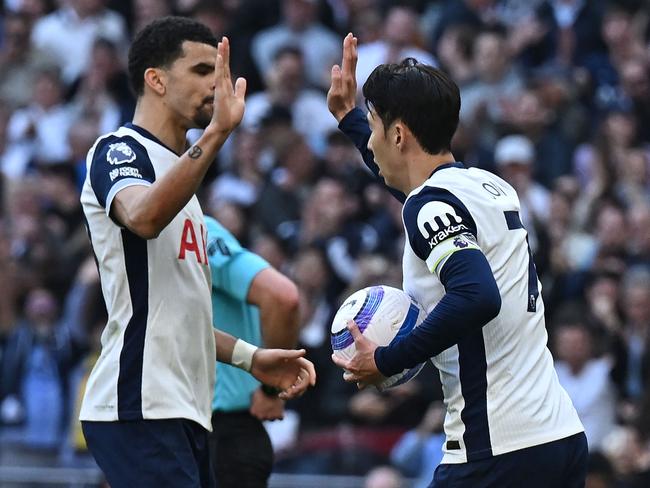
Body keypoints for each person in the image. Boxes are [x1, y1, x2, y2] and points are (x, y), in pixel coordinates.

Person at [328, 33, 587, 487]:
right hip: (558, 435)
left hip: (497, 449)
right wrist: (350, 118)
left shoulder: (428, 206)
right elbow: (415, 189)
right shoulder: (489, 187)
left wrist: (388, 360)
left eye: (373, 129)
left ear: (399, 133)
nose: (369, 144)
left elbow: (476, 295)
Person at [79, 17, 315, 488]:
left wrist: (252, 357)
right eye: (203, 69)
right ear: (156, 79)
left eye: (221, 70)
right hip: (139, 402)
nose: (217, 83)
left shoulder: (186, 186)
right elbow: (142, 216)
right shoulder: (118, 150)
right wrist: (215, 136)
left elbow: (179, 314)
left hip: (186, 408)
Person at [205, 213, 300, 487]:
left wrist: (272, 387)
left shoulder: (198, 231)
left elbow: (283, 297)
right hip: (200, 433)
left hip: (224, 437)